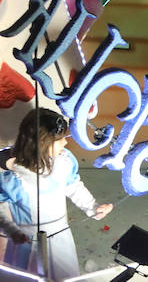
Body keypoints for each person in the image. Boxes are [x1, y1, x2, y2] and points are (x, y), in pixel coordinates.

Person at [0, 109, 114, 279]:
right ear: (43, 142)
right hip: (26, 243)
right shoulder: (14, 179)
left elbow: (73, 186)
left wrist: (93, 207)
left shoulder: (64, 161)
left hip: (60, 238)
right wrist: (12, 231)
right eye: (59, 140)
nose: (65, 144)